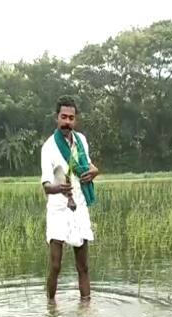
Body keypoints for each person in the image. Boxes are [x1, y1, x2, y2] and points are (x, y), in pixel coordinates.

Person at [40, 96, 100, 301]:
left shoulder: (81, 140)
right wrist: (59, 188)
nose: (67, 122)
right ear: (57, 118)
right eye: (63, 117)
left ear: (76, 120)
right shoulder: (49, 147)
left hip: (79, 206)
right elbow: (46, 186)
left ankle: (86, 311)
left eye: (71, 118)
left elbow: (90, 166)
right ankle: (51, 308)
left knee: (83, 266)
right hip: (58, 208)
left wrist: (94, 172)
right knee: (55, 265)